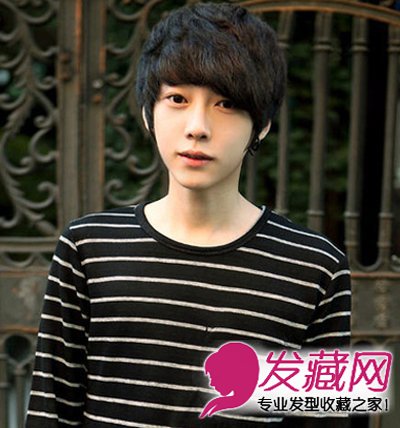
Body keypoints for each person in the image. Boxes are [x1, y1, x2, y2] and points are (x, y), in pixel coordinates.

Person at [26, 2, 351, 427]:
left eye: (226, 103)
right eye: (177, 99)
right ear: (148, 113)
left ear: (263, 124)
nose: (197, 127)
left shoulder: (317, 267)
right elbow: (50, 410)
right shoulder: (88, 248)